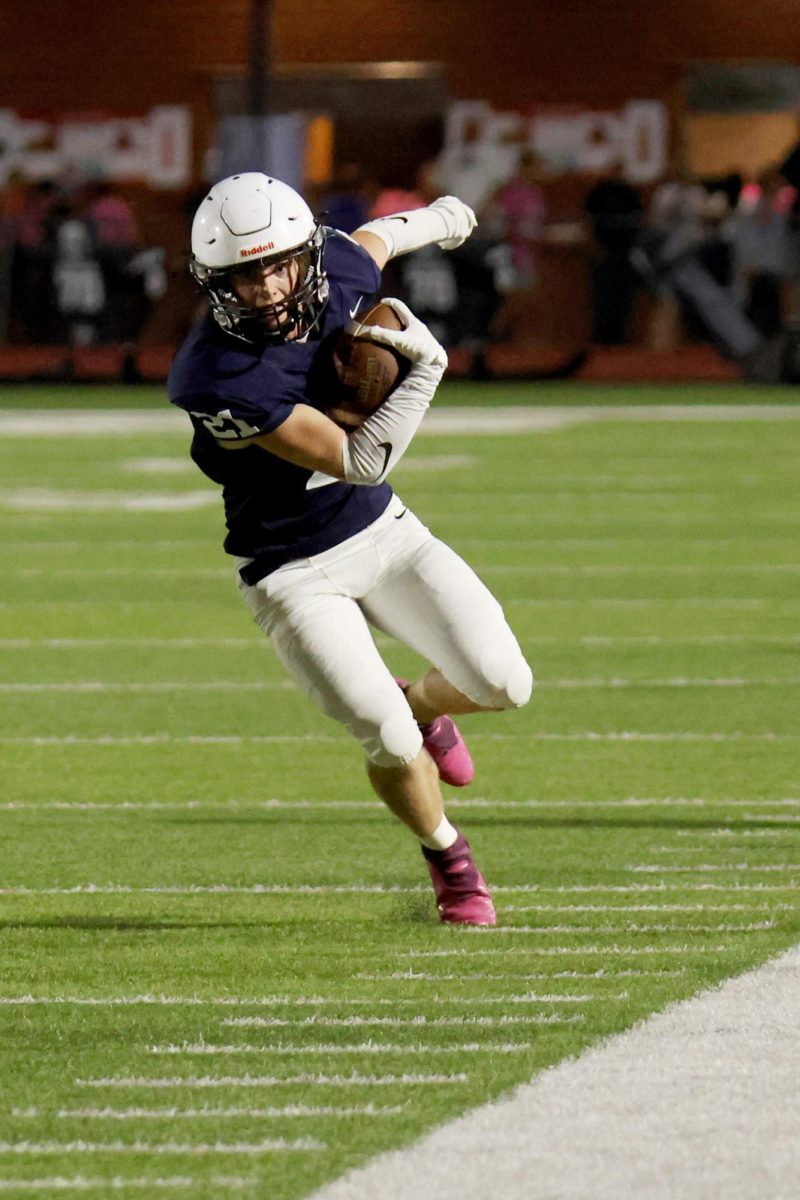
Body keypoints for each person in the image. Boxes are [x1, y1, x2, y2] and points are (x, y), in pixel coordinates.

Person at [168, 172, 533, 926]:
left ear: (304, 254)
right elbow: (360, 458)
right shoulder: (216, 373)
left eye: (276, 264)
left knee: (505, 682)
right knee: (388, 739)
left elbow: (377, 239)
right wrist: (424, 369)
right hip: (291, 571)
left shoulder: (329, 267)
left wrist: (444, 215)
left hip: (383, 532)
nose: (266, 286)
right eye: (243, 272)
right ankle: (449, 856)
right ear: (216, 280)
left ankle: (425, 704)